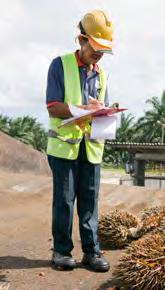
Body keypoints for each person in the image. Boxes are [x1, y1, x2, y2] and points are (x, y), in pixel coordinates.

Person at [45, 10, 113, 272]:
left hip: (92, 148)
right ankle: (62, 252)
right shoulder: (59, 65)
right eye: (95, 47)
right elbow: (53, 106)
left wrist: (106, 109)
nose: (99, 53)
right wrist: (83, 109)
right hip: (64, 147)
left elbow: (103, 106)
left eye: (103, 50)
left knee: (90, 200)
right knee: (64, 200)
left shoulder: (102, 74)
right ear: (81, 39)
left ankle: (91, 252)